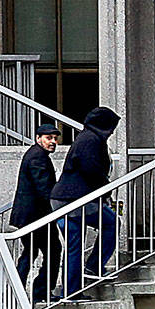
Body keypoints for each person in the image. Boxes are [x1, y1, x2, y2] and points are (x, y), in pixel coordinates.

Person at [49, 106, 120, 296]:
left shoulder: (85, 137)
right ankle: (94, 267)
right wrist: (106, 190)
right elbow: (91, 169)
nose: (112, 131)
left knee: (73, 246)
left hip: (62, 199)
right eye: (111, 126)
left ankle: (71, 292)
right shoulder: (92, 140)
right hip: (77, 199)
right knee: (112, 223)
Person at [10, 122, 61, 302]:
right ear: (38, 138)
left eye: (55, 139)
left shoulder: (37, 155)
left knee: (31, 253)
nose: (53, 142)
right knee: (53, 250)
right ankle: (40, 291)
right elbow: (44, 189)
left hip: (32, 216)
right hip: (37, 216)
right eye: (48, 138)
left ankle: (17, 290)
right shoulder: (37, 157)